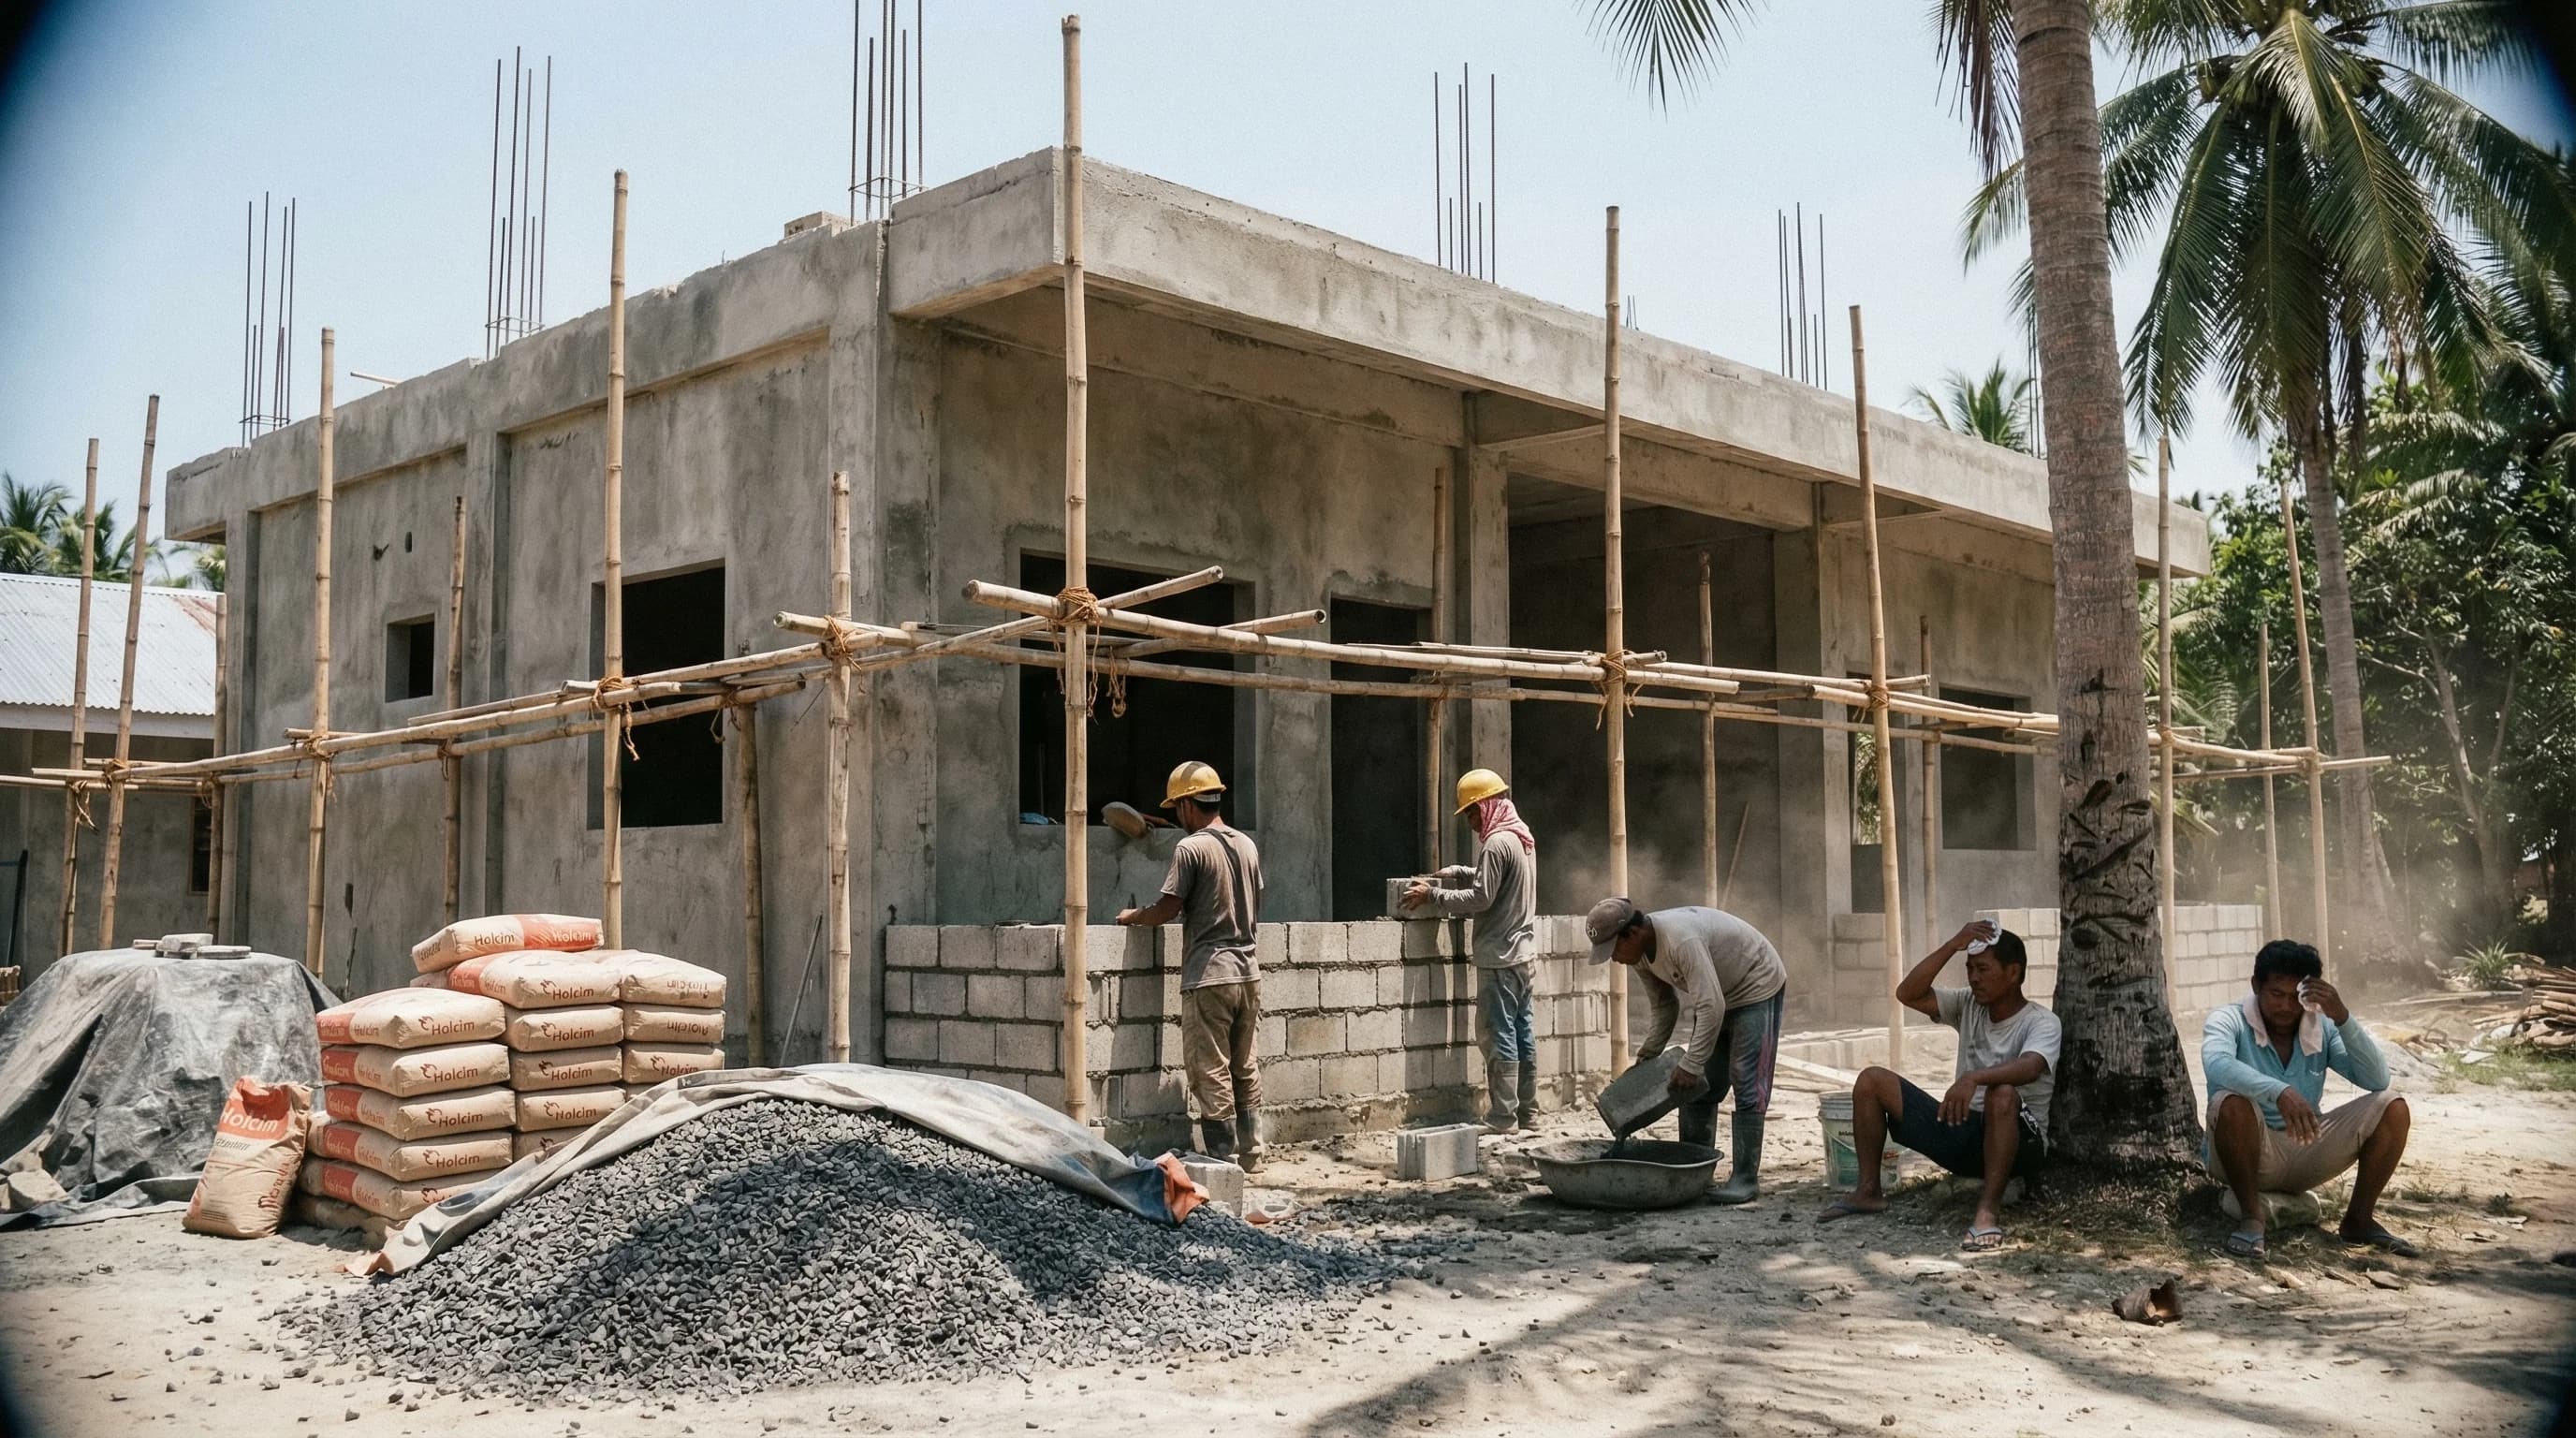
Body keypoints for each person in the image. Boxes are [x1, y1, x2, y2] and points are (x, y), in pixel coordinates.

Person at [1819, 918, 2059, 1251]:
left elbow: (2031, 1067)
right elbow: (1908, 993)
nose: (1974, 978)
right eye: (1969, 968)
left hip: (2018, 1143)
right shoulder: (1967, 1004)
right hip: (1964, 1133)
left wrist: (1972, 1078)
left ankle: (1987, 1213)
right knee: (1872, 1081)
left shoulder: (2041, 1021)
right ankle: (1868, 1191)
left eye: (1983, 969)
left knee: (2001, 1094)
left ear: (2014, 973)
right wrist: (1952, 945)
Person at [2203, 938, 2413, 1261]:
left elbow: (2376, 1079)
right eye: (2276, 994)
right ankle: (2251, 1219)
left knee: (2392, 1107)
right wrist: (2280, 1091)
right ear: (2256, 985)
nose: (2286, 1006)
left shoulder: (2322, 1027)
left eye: (2295, 996)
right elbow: (2216, 1063)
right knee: (2230, 1102)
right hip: (2246, 1153)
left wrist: (2342, 1016)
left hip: (2306, 1147)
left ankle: (2359, 1220)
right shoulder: (2228, 1019)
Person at [1115, 761, 1265, 1172]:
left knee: (1208, 1068)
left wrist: (1132, 917)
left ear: (1185, 805)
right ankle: (1252, 1151)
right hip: (1248, 972)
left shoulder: (1191, 848)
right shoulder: (1247, 845)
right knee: (1243, 1064)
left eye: (1176, 808)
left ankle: (1222, 1157)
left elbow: (1167, 908)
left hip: (1210, 974)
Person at [1586, 897, 1787, 1204]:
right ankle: (1695, 1170)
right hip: (1718, 997)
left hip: (1755, 984)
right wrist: (1648, 1057)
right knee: (1699, 1086)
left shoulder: (1680, 940)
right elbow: (1665, 1005)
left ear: (1633, 933)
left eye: (1613, 950)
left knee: (1745, 1080)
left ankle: (1745, 1179)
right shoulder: (1640, 955)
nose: (1613, 959)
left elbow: (1711, 1005)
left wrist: (1692, 1063)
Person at [1403, 769, 1539, 1134]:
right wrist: (1460, 871)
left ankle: (1503, 1117)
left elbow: (1481, 897)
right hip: (1524, 955)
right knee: (1523, 1032)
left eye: (1472, 814)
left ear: (1485, 805)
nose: (1471, 823)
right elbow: (1496, 878)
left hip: (1500, 956)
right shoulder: (1520, 837)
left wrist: (1433, 894)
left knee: (1499, 1035)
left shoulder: (1495, 844)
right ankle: (1528, 1114)